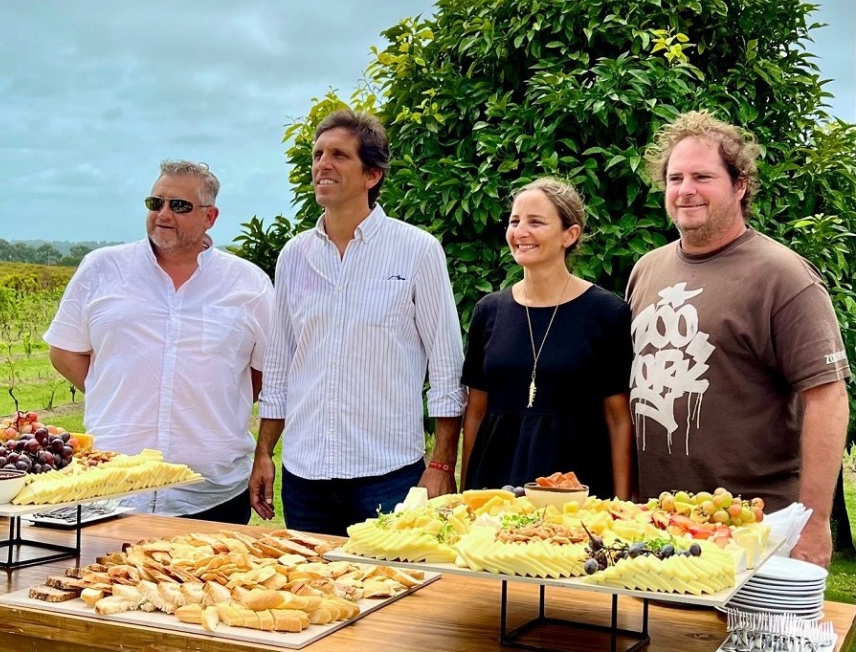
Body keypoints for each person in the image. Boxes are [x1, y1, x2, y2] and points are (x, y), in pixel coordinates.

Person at [44, 160, 274, 652]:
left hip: (209, 486)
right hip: (109, 489)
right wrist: (112, 390)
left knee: (199, 619)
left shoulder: (248, 285)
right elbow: (65, 349)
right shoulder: (103, 269)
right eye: (155, 203)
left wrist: (244, 428)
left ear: (210, 216)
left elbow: (268, 372)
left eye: (178, 205)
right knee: (96, 619)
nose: (162, 214)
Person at [628, 110, 851, 568]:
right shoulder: (646, 270)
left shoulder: (783, 276)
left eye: (702, 176)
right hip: (655, 527)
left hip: (756, 531)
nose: (685, 189)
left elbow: (827, 399)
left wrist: (813, 524)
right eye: (675, 177)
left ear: (740, 185)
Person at [248, 110, 466, 536]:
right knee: (314, 597)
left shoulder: (418, 250)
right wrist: (264, 454)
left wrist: (441, 464)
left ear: (372, 174)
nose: (322, 164)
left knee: (394, 596)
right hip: (304, 477)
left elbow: (446, 367)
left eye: (339, 155)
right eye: (317, 154)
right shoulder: (294, 256)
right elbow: (280, 365)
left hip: (388, 477)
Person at [461, 178, 633, 500]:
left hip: (575, 489)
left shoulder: (607, 312)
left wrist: (622, 503)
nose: (520, 231)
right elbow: (476, 412)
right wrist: (465, 494)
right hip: (496, 484)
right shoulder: (489, 311)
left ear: (570, 235)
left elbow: (618, 418)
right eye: (515, 221)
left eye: (535, 222)